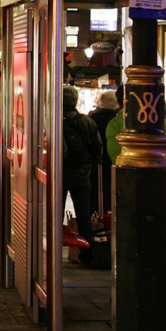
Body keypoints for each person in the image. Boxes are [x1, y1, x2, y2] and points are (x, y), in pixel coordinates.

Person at [61, 85, 102, 266]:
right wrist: (88, 168)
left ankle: (54, 252)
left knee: (55, 214)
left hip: (59, 175)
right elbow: (97, 148)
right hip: (81, 175)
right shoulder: (87, 122)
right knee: (84, 216)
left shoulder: (54, 122)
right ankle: (88, 255)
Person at [88, 89, 119, 216]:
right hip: (114, 162)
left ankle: (95, 219)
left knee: (95, 192)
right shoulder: (119, 120)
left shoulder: (91, 119)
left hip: (95, 164)